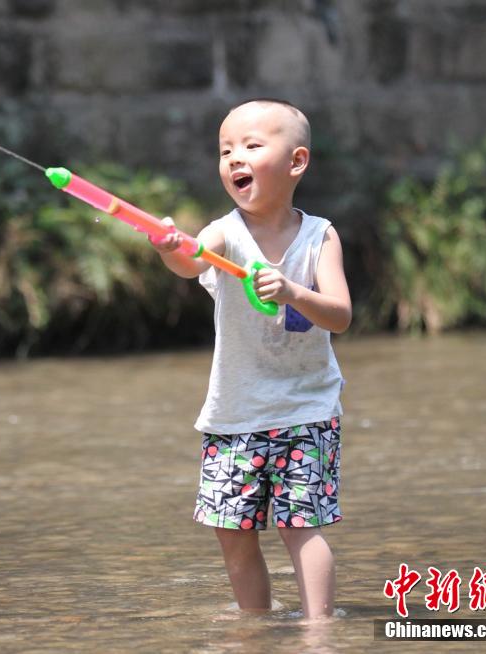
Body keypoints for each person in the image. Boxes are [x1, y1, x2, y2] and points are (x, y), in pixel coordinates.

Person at [149, 99, 351, 619]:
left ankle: (319, 631)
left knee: (300, 527)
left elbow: (340, 316)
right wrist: (169, 246)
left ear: (296, 161)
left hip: (307, 410)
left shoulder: (320, 236)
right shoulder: (225, 233)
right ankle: (254, 629)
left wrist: (293, 292)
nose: (235, 158)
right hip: (234, 415)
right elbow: (191, 259)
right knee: (233, 533)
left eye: (252, 146)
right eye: (225, 151)